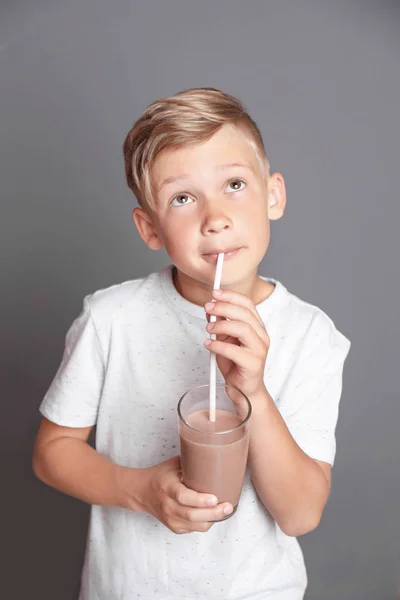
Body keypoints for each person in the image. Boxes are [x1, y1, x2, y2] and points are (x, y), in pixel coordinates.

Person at [33, 87, 351, 600]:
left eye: (234, 184)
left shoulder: (313, 335)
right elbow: (52, 452)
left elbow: (301, 513)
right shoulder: (111, 319)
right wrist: (138, 491)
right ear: (150, 227)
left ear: (273, 195)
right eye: (182, 198)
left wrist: (253, 391)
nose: (216, 216)